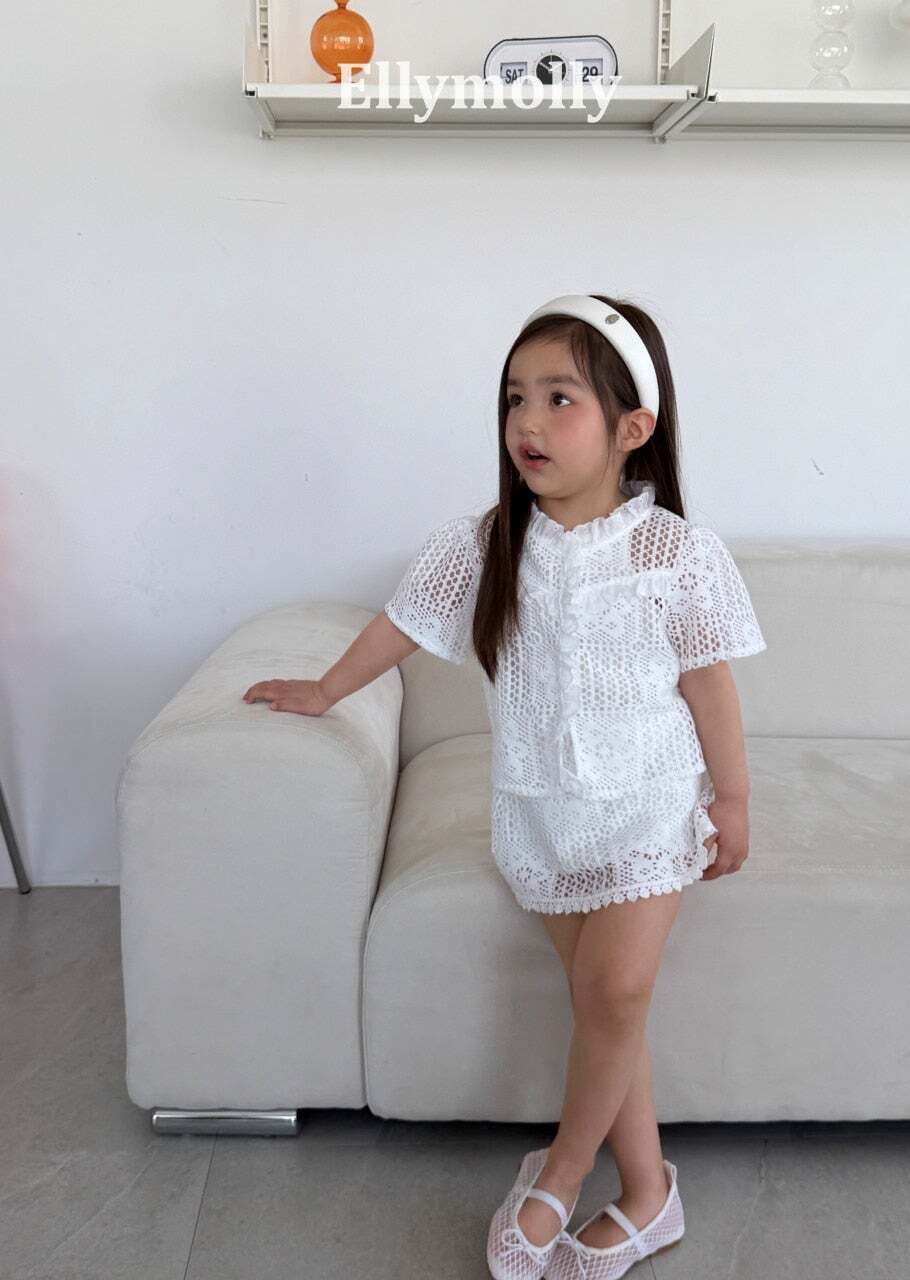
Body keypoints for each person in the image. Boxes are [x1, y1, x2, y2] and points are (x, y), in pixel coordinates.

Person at [242, 293, 767, 1280]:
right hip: (542, 812)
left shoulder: (674, 554)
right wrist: (325, 689)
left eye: (560, 398)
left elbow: (710, 683)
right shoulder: (485, 543)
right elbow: (402, 624)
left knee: (616, 987)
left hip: (650, 804)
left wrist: (730, 800)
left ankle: (561, 1173)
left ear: (632, 428)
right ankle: (649, 1193)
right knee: (605, 1008)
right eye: (516, 397)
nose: (528, 420)